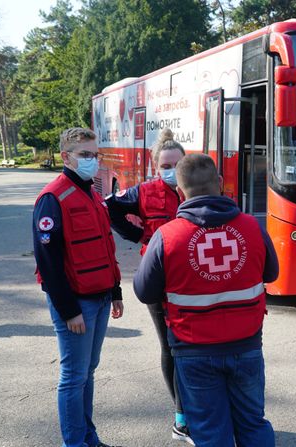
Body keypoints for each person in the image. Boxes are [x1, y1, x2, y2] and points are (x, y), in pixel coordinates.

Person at [133, 154, 279, 447]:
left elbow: (144, 291)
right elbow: (272, 273)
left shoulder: (167, 236)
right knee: (252, 423)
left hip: (193, 351)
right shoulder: (252, 227)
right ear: (222, 185)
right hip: (246, 345)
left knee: (211, 431)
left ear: (179, 191)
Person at [33, 127, 123, 447]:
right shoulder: (52, 198)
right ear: (65, 157)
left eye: (94, 155)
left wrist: (115, 291)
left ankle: (88, 437)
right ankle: (75, 443)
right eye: (85, 155)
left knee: (88, 372)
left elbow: (105, 247)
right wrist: (69, 311)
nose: (92, 161)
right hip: (77, 305)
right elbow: (48, 263)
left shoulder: (93, 194)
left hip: (99, 299)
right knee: (74, 376)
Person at [105, 128, 192, 444]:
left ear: (186, 162)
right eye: (165, 166)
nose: (171, 171)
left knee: (192, 346)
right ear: (157, 167)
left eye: (176, 164)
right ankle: (181, 416)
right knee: (169, 346)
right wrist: (138, 236)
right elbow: (110, 207)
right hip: (158, 280)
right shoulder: (142, 192)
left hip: (193, 278)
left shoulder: (196, 188)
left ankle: (194, 409)